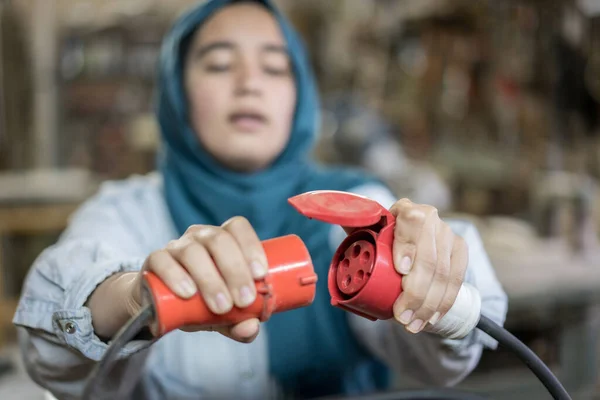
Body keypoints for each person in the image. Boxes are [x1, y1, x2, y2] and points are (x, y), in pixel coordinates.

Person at [12, 0, 508, 399]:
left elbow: (444, 360)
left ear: (300, 96)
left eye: (274, 68)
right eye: (220, 63)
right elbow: (52, 345)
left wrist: (438, 279)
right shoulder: (124, 211)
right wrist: (134, 297)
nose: (249, 83)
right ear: (177, 92)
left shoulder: (355, 207)